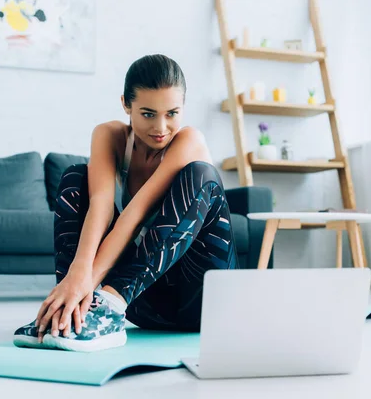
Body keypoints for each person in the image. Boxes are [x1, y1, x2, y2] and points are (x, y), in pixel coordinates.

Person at [13, 54, 239, 352]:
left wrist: (89, 283)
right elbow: (101, 207)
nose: (161, 127)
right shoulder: (110, 135)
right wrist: (75, 279)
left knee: (201, 173)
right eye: (148, 114)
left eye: (172, 113)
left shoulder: (189, 141)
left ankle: (98, 305)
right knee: (75, 177)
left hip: (204, 301)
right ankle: (71, 313)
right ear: (126, 105)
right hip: (144, 305)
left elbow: (134, 215)